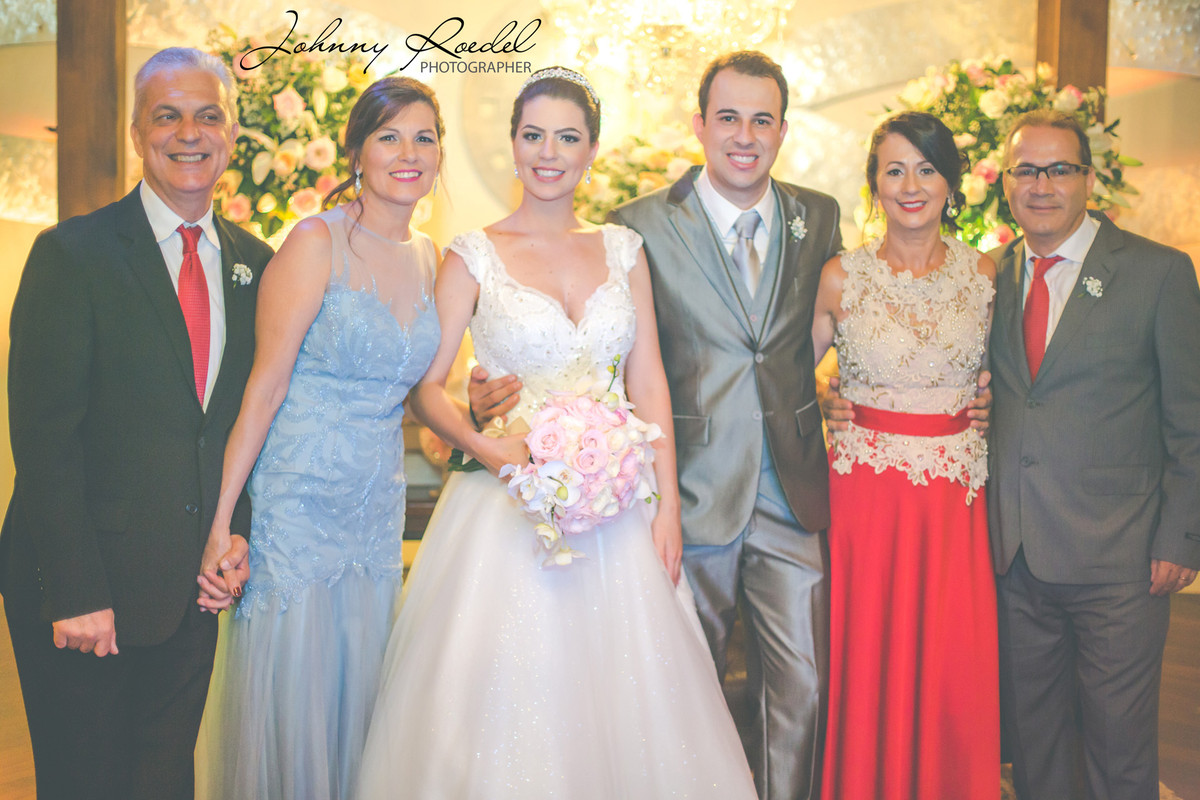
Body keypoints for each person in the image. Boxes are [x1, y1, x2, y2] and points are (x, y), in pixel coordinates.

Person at [355, 67, 757, 799]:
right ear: (512, 144)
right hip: (507, 511)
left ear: (591, 150)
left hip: (620, 508)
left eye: (567, 137)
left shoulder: (623, 249)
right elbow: (427, 388)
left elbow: (649, 381)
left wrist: (667, 505)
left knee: (632, 705)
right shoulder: (471, 255)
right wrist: (491, 450)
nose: (549, 152)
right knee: (517, 697)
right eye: (534, 135)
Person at [0, 47, 272, 799]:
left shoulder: (257, 265)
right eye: (167, 116)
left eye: (208, 116)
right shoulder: (72, 254)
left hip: (189, 593)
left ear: (232, 133)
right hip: (86, 590)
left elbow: (246, 425)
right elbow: (44, 441)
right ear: (136, 133)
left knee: (163, 783)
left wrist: (235, 535)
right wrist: (76, 590)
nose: (189, 133)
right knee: (85, 785)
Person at [193, 76, 443, 800]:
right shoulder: (313, 242)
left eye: (424, 138)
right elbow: (263, 389)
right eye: (389, 137)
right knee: (295, 684)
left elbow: (423, 392)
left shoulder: (432, 257)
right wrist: (220, 521)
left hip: (375, 503)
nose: (408, 153)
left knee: (361, 677)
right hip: (298, 499)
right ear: (356, 151)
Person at [988, 109, 1200, 800]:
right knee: (1036, 748)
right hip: (1017, 557)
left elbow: (1191, 419)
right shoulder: (989, 277)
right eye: (1026, 170)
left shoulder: (1159, 272)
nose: (1041, 185)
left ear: (1088, 178)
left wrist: (1181, 538)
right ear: (1006, 182)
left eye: (1059, 169)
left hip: (1122, 561)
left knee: (1119, 752)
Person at [812, 111, 997, 799]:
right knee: (870, 652)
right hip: (866, 500)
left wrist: (993, 401)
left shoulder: (985, 275)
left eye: (926, 169)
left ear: (951, 183)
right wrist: (821, 390)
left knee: (950, 659)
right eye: (894, 170)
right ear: (874, 184)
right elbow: (784, 377)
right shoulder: (840, 277)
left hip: (953, 501)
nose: (911, 185)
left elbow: (1013, 378)